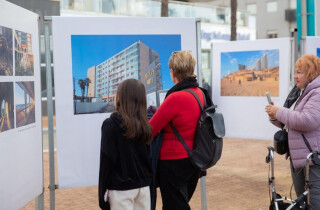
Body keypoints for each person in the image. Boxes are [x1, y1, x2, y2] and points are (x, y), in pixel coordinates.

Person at [149, 50, 212, 210]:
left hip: (173, 163)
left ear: (173, 71)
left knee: (174, 206)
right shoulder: (200, 94)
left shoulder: (175, 98)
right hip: (194, 161)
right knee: (180, 204)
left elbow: (150, 130)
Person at [265, 54, 320, 209]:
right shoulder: (304, 92)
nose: (295, 76)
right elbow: (295, 122)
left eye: (299, 72)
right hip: (302, 158)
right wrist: (275, 116)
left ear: (311, 73)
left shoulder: (317, 92)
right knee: (303, 202)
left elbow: (307, 120)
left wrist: (280, 112)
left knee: (314, 203)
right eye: (295, 72)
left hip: (313, 160)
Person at [98, 79, 153, 210]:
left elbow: (106, 161)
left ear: (120, 97)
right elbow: (149, 159)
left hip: (120, 189)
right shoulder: (145, 126)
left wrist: (102, 195)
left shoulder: (110, 125)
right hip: (143, 188)